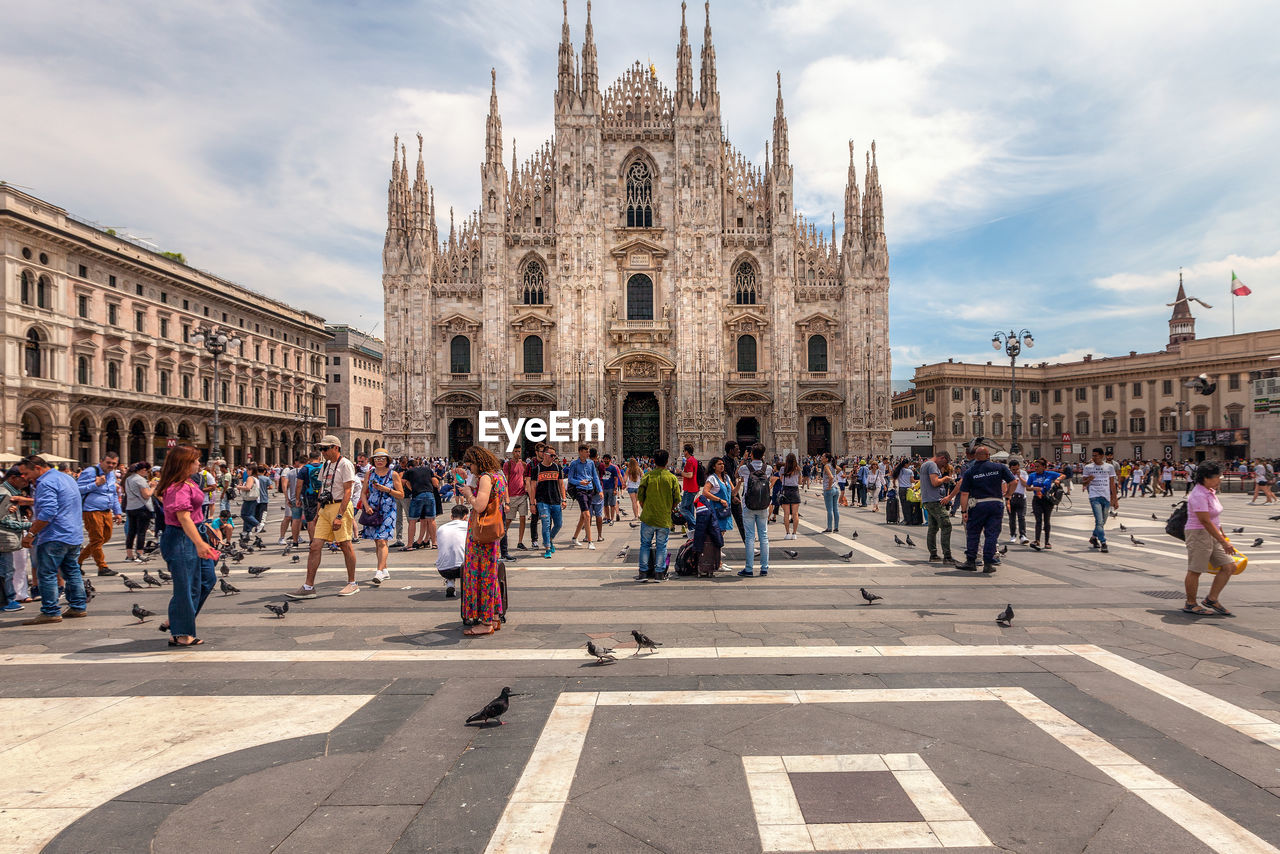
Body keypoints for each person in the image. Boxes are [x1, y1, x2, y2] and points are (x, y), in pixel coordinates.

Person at [154, 446, 217, 647]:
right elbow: (183, 517)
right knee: (186, 586)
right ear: (184, 463)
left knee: (207, 579)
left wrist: (205, 533)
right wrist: (199, 543)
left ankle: (177, 620)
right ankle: (181, 634)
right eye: (196, 460)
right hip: (182, 538)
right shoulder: (178, 487)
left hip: (193, 533)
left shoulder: (186, 483)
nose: (199, 463)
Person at [17, 455, 90, 624]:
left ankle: (50, 611)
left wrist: (31, 534)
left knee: (47, 573)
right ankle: (78, 607)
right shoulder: (67, 478)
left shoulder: (45, 482)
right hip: (73, 533)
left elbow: (48, 512)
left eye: (26, 473)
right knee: (72, 570)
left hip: (54, 535)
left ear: (37, 468)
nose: (24, 478)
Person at [288, 436, 361, 599]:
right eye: (321, 449)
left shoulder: (346, 464)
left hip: (340, 505)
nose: (322, 452)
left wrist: (340, 515)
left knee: (344, 544)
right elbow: (322, 489)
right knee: (315, 545)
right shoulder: (326, 465)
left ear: (336, 448)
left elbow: (348, 491)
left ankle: (352, 583)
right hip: (326, 508)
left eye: (325, 448)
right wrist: (317, 513)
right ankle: (308, 586)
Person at [457, 446, 506, 636]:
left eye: (470, 465)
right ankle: (494, 616)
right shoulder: (499, 476)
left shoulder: (486, 478)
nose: (470, 470)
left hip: (481, 535)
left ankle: (485, 623)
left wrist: (468, 493)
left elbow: (479, 505)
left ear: (478, 461)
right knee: (491, 575)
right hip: (491, 532)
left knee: (482, 576)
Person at [1182, 462, 1240, 616]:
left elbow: (1214, 518)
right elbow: (1205, 521)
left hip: (1212, 533)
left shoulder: (1210, 491)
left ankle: (1211, 599)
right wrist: (1223, 541)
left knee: (1229, 566)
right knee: (1196, 569)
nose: (1219, 479)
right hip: (1198, 534)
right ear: (1205, 478)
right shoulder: (1198, 494)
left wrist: (1223, 535)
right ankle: (1190, 603)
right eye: (1217, 477)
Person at [956, 446, 1016, 573]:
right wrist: (1009, 495)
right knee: (992, 534)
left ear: (975, 456)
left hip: (978, 504)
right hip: (996, 503)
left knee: (973, 533)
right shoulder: (1000, 467)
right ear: (988, 455)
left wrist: (963, 511)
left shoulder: (970, 472)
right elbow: (1013, 482)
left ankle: (971, 561)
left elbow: (964, 494)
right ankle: (988, 563)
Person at [636, 448, 681, 582]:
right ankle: (659, 574)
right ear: (667, 461)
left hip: (648, 517)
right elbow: (677, 499)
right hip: (664, 518)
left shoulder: (647, 476)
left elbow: (640, 497)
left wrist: (647, 509)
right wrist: (668, 509)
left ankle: (643, 573)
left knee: (645, 545)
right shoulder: (672, 478)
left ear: (653, 461)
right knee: (662, 546)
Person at [75, 451, 123, 576]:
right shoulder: (90, 472)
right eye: (108, 463)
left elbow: (113, 494)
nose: (111, 465)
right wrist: (96, 484)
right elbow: (77, 489)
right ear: (101, 462)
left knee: (105, 537)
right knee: (96, 539)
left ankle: (77, 560)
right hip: (91, 510)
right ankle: (102, 567)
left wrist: (118, 512)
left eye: (114, 463)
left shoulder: (111, 474)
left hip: (106, 510)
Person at [361, 449, 403, 585]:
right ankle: (384, 570)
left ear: (387, 460)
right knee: (377, 541)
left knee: (382, 541)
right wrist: (366, 506)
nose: (379, 461)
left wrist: (387, 490)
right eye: (377, 458)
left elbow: (401, 494)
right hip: (373, 510)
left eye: (382, 458)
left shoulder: (393, 474)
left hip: (388, 510)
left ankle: (378, 572)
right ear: (373, 460)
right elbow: (363, 493)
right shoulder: (370, 474)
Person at [737, 443, 776, 578]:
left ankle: (749, 568)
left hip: (748, 505)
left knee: (749, 537)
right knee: (764, 536)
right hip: (763, 505)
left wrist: (744, 458)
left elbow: (737, 473)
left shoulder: (745, 468)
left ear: (751, 454)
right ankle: (764, 568)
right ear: (763, 455)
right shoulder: (768, 468)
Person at [1, 466, 34, 611]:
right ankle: (7, 601)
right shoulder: (5, 494)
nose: (26, 481)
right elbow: (3, 519)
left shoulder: (9, 493)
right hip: (3, 538)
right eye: (23, 478)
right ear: (13, 478)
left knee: (7, 569)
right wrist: (28, 525)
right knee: (6, 570)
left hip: (5, 538)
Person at [694, 457, 733, 576]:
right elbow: (705, 492)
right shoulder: (712, 478)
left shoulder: (726, 478)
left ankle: (718, 561)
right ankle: (718, 563)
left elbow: (733, 491)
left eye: (723, 464)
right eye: (719, 464)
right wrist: (719, 499)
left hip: (725, 511)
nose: (722, 466)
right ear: (713, 466)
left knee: (721, 535)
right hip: (717, 511)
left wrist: (740, 482)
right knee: (717, 537)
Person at [919, 450, 955, 564]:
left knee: (933, 528)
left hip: (928, 500)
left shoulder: (926, 464)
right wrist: (945, 479)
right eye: (944, 463)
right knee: (946, 525)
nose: (943, 466)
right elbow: (934, 482)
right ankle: (947, 556)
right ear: (942, 458)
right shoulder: (932, 465)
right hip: (934, 501)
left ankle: (933, 555)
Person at [1081, 447, 1119, 553]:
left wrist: (1115, 499)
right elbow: (1083, 483)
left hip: (1106, 497)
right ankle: (1103, 542)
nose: (1094, 457)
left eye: (1096, 455)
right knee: (1099, 520)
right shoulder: (1088, 467)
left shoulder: (1109, 467)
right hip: (1094, 496)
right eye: (1093, 455)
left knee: (1102, 522)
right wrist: (1089, 479)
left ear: (1102, 456)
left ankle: (1093, 537)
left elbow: (1112, 484)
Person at [532, 444, 566, 558]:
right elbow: (532, 487)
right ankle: (547, 548)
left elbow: (561, 484)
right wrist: (532, 503)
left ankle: (550, 539)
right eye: (552, 455)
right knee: (545, 524)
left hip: (555, 500)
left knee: (558, 524)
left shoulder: (557, 468)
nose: (554, 457)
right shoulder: (536, 469)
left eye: (555, 455)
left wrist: (564, 499)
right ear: (545, 455)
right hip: (542, 501)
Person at [567, 445, 602, 550]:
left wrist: (600, 490)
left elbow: (595, 477)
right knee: (587, 515)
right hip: (580, 490)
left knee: (583, 516)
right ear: (580, 452)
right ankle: (590, 541)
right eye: (586, 452)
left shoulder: (591, 463)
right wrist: (579, 482)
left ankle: (574, 537)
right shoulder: (574, 464)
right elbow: (570, 479)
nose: (588, 454)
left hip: (590, 490)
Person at [1026, 459, 1063, 550]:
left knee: (1047, 520)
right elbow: (1027, 487)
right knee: (1038, 520)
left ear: (1044, 467)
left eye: (1038, 466)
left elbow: (1063, 475)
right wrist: (1034, 488)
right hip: (1037, 500)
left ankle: (1047, 542)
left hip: (1047, 499)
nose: (1036, 468)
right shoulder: (1032, 475)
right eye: (1035, 467)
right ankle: (1037, 540)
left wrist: (1058, 479)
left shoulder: (1049, 474)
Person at [122, 461, 155, 563]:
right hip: (142, 508)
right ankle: (140, 553)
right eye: (147, 471)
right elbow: (146, 495)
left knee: (131, 532)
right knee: (141, 532)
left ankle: (129, 555)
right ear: (143, 470)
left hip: (131, 507)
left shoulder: (128, 479)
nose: (147, 473)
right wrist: (153, 487)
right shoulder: (140, 480)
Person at [403, 458, 439, 550]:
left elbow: (402, 482)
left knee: (412, 521)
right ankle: (434, 543)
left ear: (409, 466)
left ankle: (410, 545)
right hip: (430, 494)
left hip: (417, 495)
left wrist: (411, 488)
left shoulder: (409, 471)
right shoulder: (427, 469)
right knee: (431, 520)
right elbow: (435, 482)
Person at [435, 503, 470, 597]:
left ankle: (450, 583)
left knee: (450, 556)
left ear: (451, 516)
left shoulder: (441, 528)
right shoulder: (469, 526)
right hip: (464, 568)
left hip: (443, 569)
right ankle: (469, 587)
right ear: (465, 516)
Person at [503, 448, 531, 549]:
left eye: (519, 451)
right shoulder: (507, 464)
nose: (517, 453)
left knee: (523, 518)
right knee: (508, 520)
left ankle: (520, 542)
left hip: (522, 495)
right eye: (516, 451)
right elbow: (505, 480)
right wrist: (505, 498)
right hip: (511, 496)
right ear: (512, 452)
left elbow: (526, 478)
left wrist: (527, 487)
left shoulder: (524, 464)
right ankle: (502, 539)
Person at [1005, 458, 1029, 545]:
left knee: (1021, 517)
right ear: (1010, 468)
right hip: (1011, 497)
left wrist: (1019, 476)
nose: (1015, 471)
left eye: (1017, 469)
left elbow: (1026, 485)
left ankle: (1023, 535)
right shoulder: (1007, 474)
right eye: (1013, 469)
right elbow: (1005, 486)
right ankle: (1013, 535)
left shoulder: (1023, 473)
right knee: (1012, 518)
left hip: (1021, 497)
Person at [779, 453, 802, 540]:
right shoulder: (798, 469)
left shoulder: (782, 469)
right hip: (795, 491)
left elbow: (781, 479)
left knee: (786, 513)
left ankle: (787, 533)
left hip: (786, 491)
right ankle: (794, 533)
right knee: (795, 514)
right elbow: (800, 482)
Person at [679, 443, 700, 531]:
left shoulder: (690, 461)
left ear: (687, 451)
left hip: (690, 488)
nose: (683, 452)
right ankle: (692, 530)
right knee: (690, 509)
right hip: (693, 487)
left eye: (684, 450)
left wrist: (680, 472)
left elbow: (690, 475)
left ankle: (696, 525)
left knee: (682, 508)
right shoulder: (694, 460)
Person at [599, 453, 622, 525]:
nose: (606, 460)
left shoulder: (613, 468)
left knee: (612, 504)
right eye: (604, 459)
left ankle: (612, 519)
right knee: (605, 505)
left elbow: (616, 479)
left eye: (607, 459)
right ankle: (608, 518)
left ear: (610, 460)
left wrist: (615, 489)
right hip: (603, 488)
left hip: (611, 488)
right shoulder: (601, 467)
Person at [820, 452, 840, 533]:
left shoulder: (826, 466)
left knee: (829, 509)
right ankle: (836, 527)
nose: (821, 458)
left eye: (822, 456)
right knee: (836, 509)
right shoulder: (833, 465)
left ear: (826, 459)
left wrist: (828, 486)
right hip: (836, 489)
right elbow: (840, 469)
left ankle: (829, 527)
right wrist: (834, 475)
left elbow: (831, 477)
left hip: (829, 489)